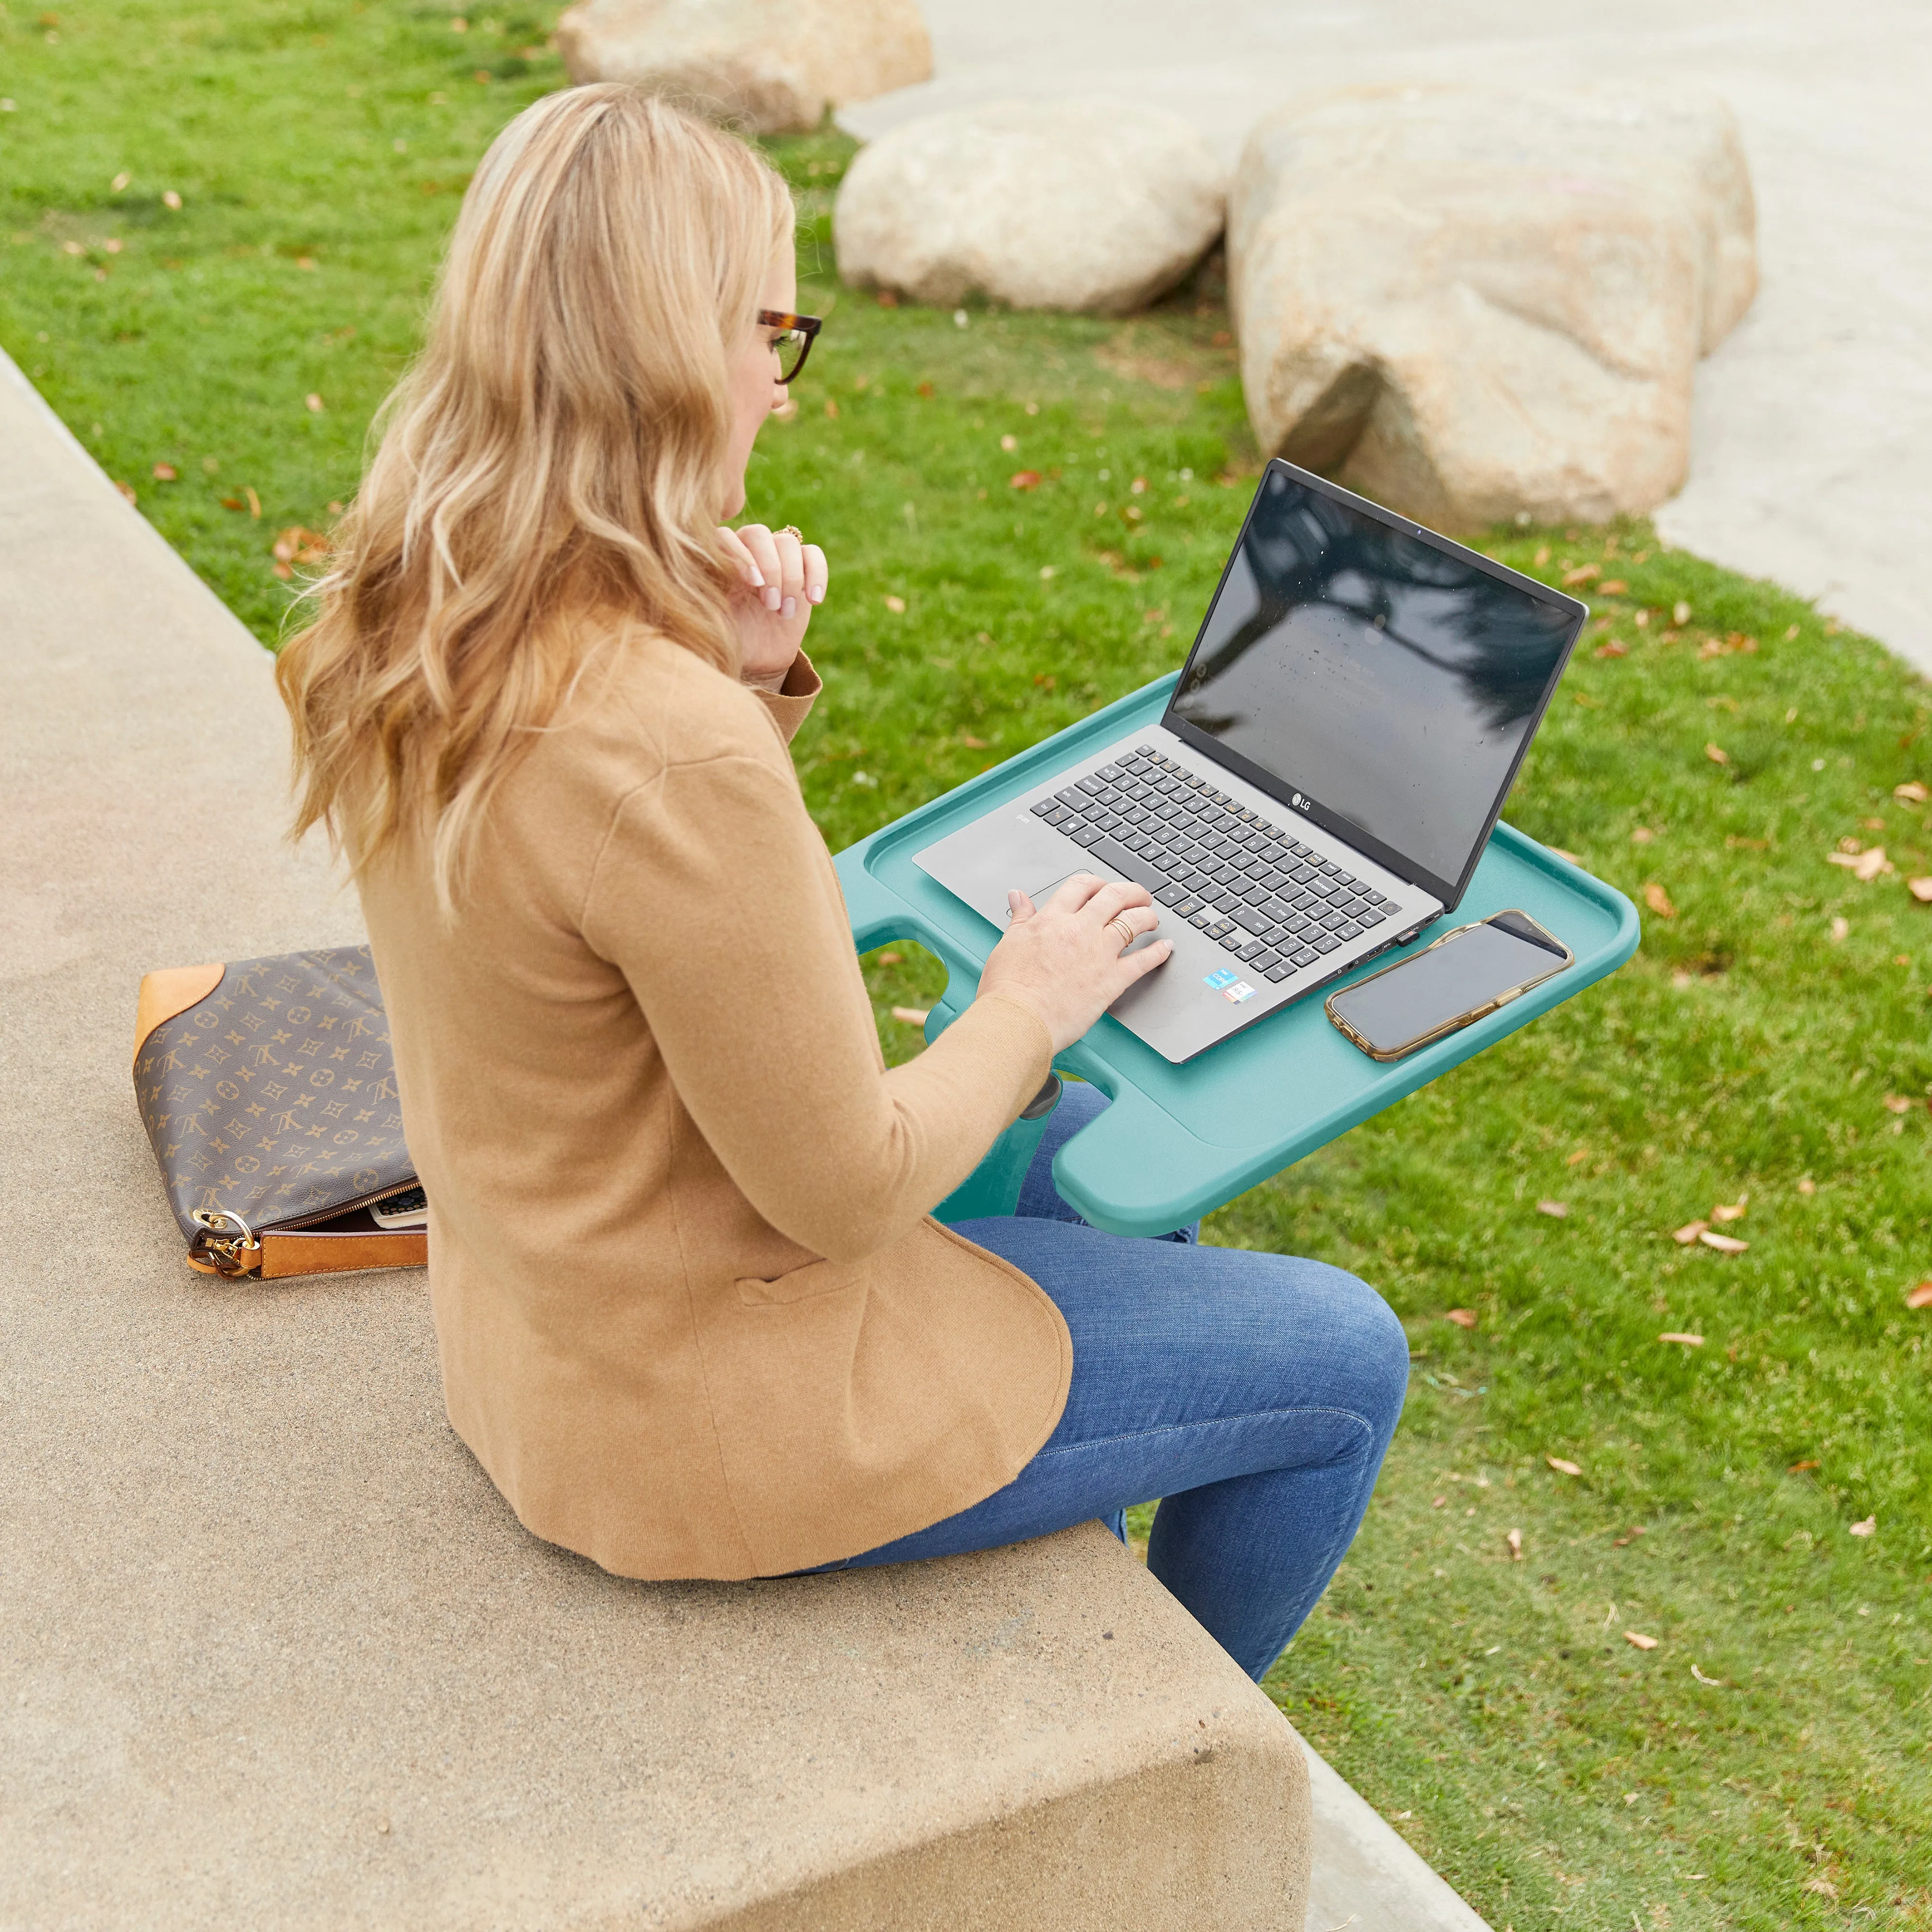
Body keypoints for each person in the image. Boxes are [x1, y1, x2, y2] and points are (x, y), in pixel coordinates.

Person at [275, 84, 1407, 1683]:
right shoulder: (664, 748)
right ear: (667, 351)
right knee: (1340, 1354)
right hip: (693, 1426)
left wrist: (729, 683)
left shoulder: (401, 616)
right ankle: (1163, 1737)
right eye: (771, 335)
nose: (780, 392)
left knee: (1083, 1144)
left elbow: (597, 907)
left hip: (546, 1342)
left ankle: (1093, 1624)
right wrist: (1027, 999)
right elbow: (852, 1189)